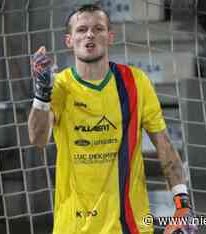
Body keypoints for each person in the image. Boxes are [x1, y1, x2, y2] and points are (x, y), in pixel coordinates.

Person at [28, 4, 197, 234]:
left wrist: (182, 207)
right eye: (82, 29)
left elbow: (165, 148)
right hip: (74, 227)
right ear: (69, 40)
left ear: (110, 37)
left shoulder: (136, 83)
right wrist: (41, 96)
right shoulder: (59, 86)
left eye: (98, 29)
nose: (90, 34)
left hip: (130, 225)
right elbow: (37, 140)